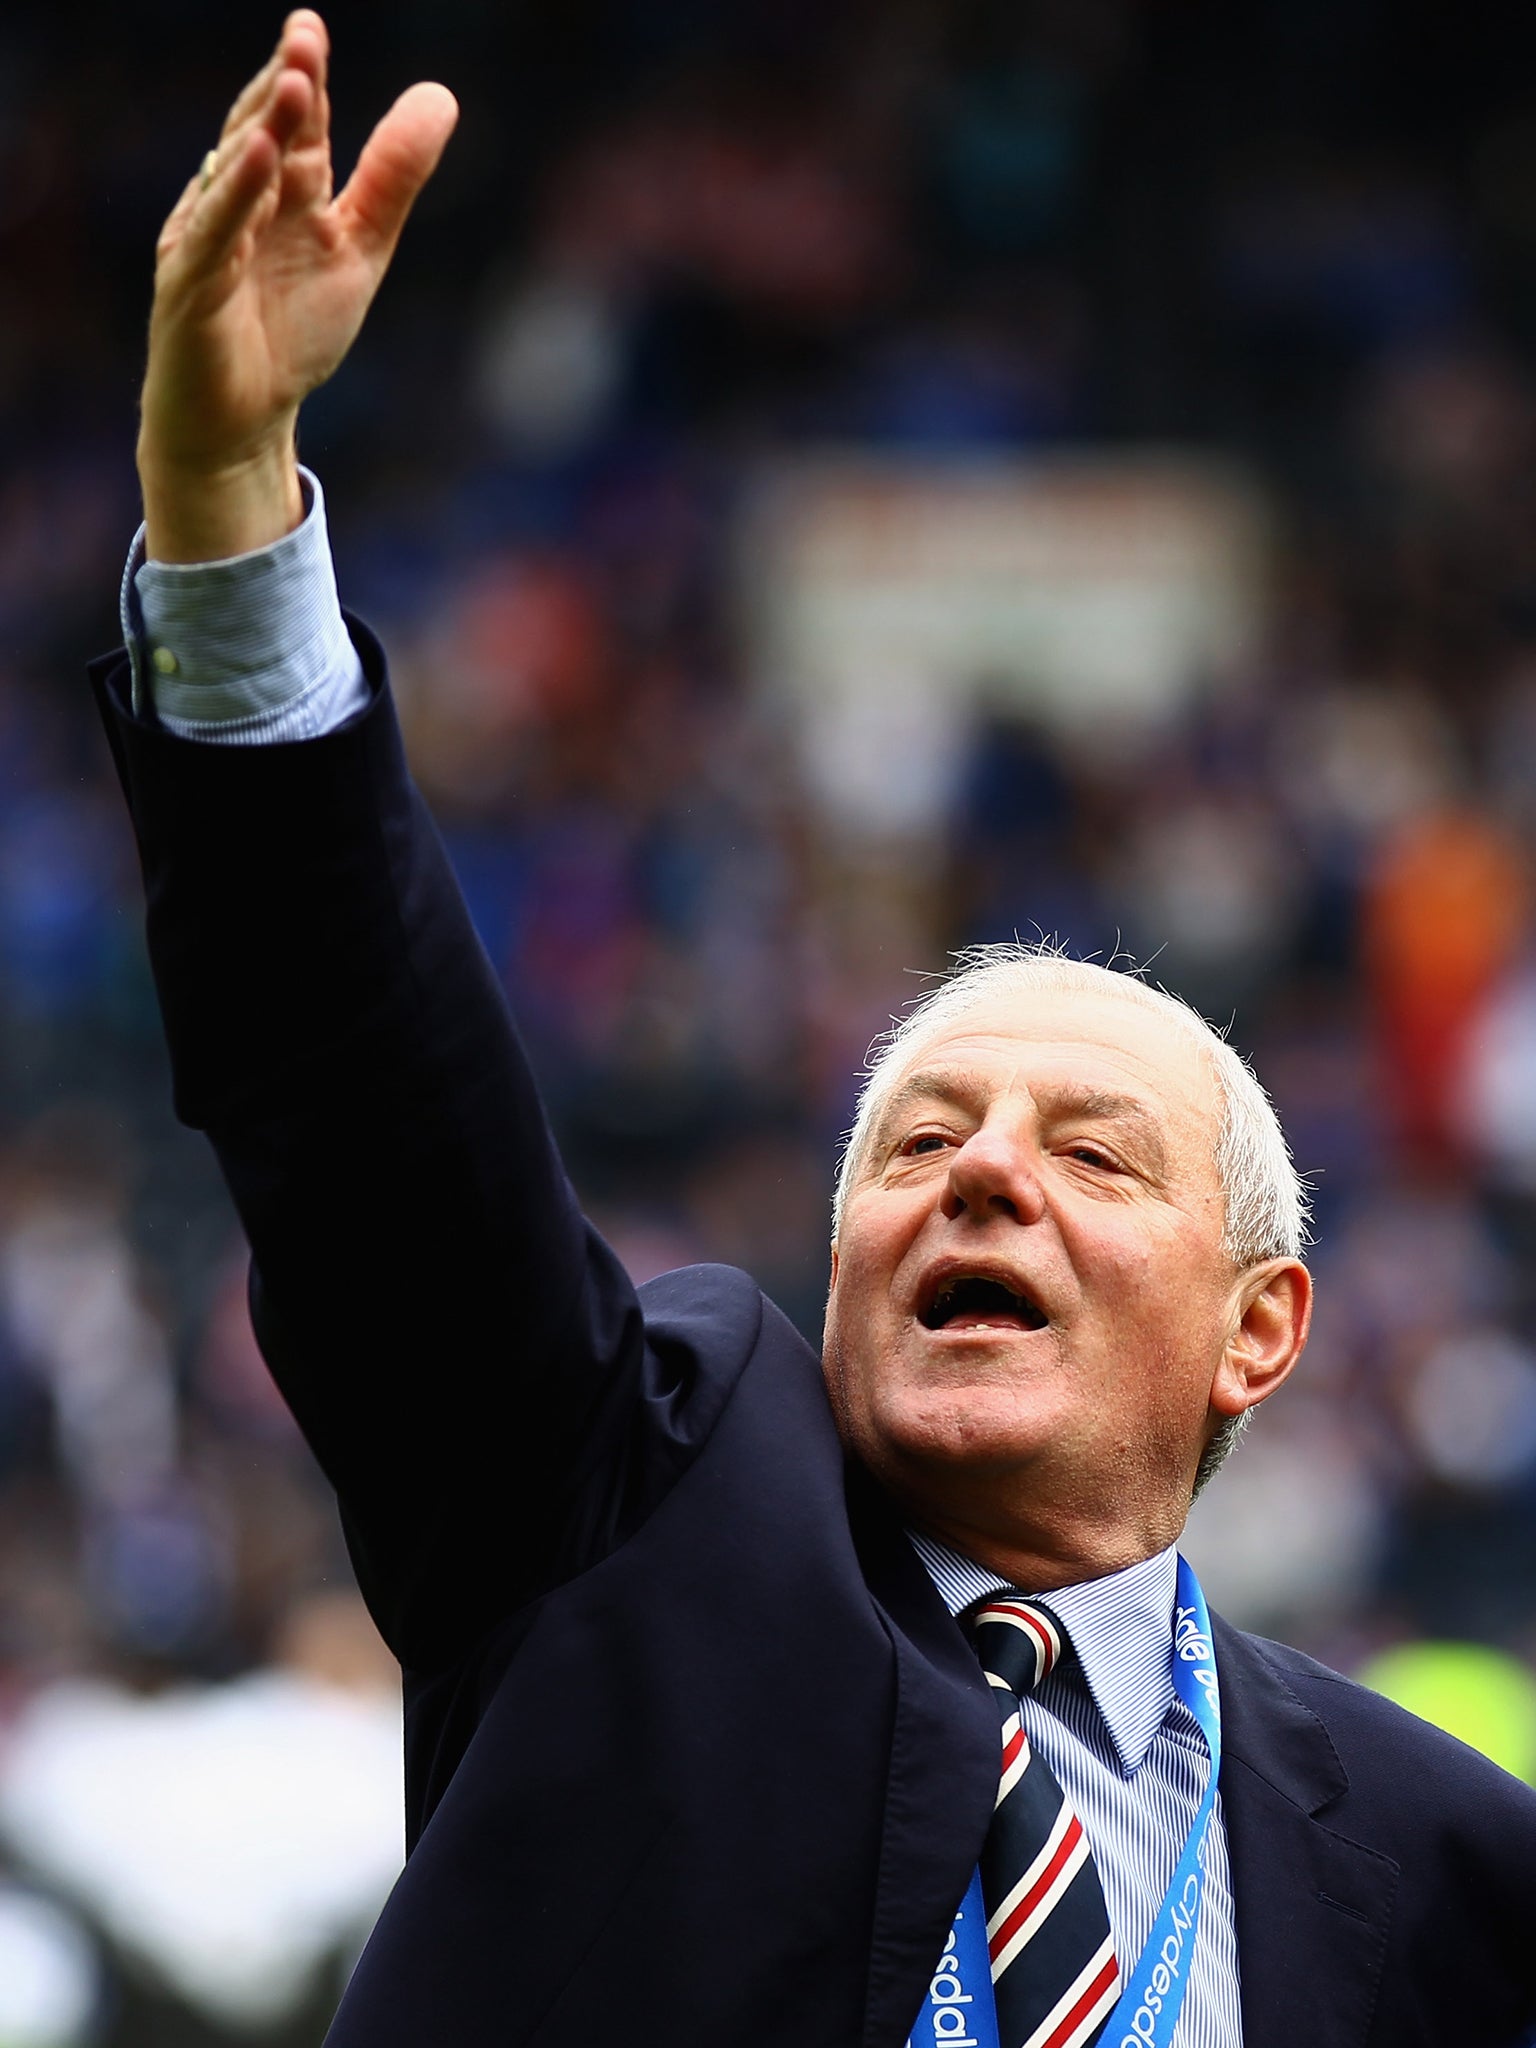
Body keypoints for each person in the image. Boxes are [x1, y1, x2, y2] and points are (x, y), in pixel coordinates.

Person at [90, 14, 1536, 2048]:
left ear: (1262, 1321)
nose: (988, 1171)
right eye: (921, 1141)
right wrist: (230, 505)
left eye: (1094, 1153)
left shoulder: (1453, 1868)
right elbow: (372, 1114)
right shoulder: (625, 1532)